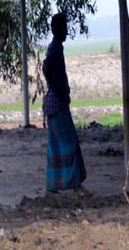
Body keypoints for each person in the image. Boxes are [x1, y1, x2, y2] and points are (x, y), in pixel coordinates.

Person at [42, 13, 87, 192]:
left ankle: (59, 185)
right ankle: (72, 184)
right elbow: (46, 68)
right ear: (57, 30)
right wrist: (55, 88)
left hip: (57, 104)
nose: (67, 31)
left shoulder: (56, 48)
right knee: (68, 144)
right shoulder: (54, 49)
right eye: (64, 28)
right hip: (57, 104)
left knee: (58, 145)